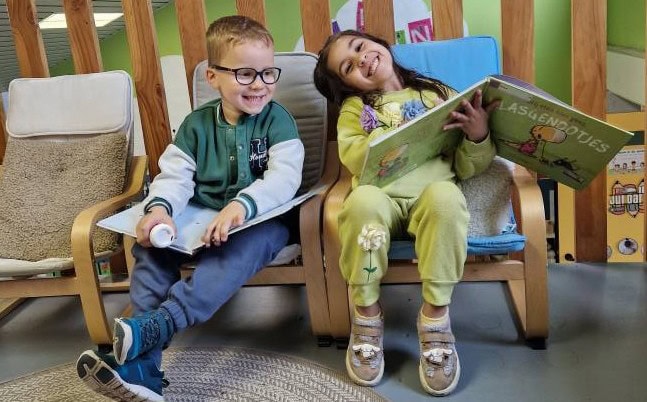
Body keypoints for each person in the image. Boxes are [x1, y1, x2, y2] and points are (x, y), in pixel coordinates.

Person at [76, 15, 304, 402]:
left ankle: (159, 325)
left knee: (234, 254)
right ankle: (145, 370)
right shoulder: (195, 126)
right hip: (199, 219)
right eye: (245, 74)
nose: (259, 84)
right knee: (150, 249)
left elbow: (285, 178)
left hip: (263, 223)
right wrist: (160, 209)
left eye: (268, 74)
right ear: (213, 77)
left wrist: (241, 206)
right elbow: (175, 177)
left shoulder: (278, 121)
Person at [313, 30, 499, 396]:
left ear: (378, 43)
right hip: (380, 198)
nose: (361, 59)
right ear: (347, 85)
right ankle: (366, 313)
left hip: (431, 194)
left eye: (359, 47)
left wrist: (477, 135)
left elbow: (465, 166)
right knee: (361, 202)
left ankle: (435, 316)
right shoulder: (355, 109)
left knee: (447, 198)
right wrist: (396, 132)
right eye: (348, 67)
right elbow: (353, 158)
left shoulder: (434, 94)